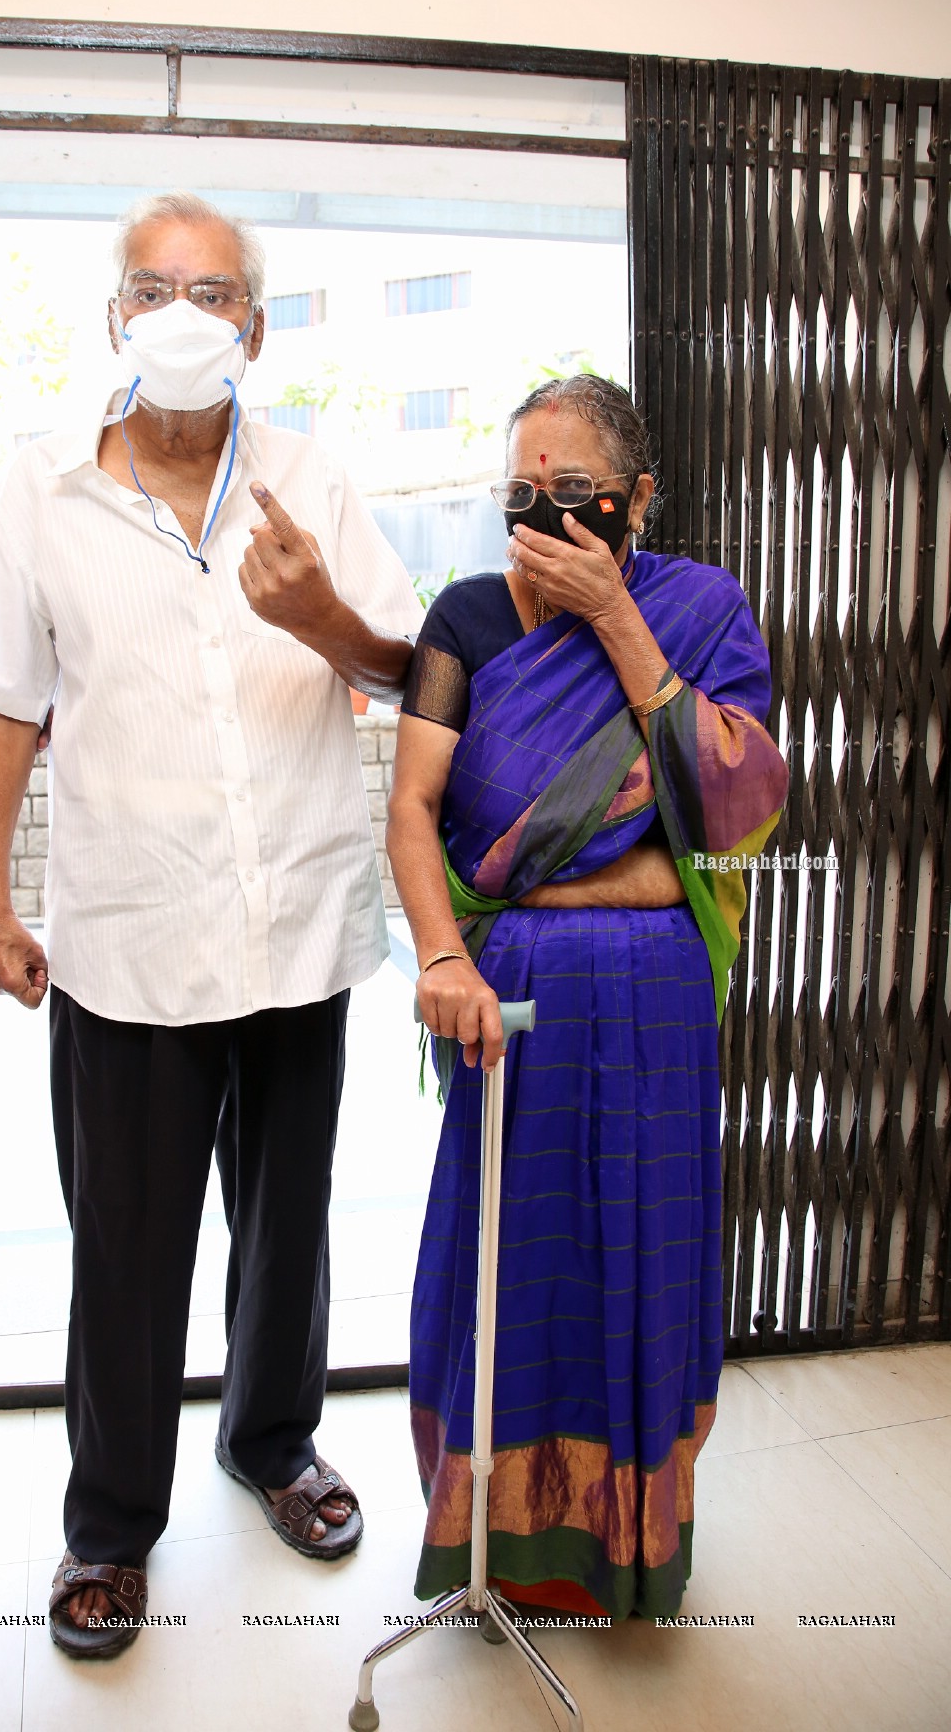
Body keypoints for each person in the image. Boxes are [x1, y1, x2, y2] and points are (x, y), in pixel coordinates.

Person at [0, 191, 423, 1658]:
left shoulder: (314, 480)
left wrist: (320, 618)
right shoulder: (42, 491)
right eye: (153, 288)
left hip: (296, 927)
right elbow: (8, 696)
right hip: (129, 941)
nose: (183, 313)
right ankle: (109, 1528)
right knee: (128, 1250)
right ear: (114, 319)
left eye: (213, 291)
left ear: (257, 329)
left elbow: (404, 669)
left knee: (287, 1226)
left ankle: (273, 1442)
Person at [387, 374, 788, 1621]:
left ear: (637, 500)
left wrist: (618, 619)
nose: (545, 514)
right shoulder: (465, 621)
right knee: (514, 1260)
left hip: (658, 1009)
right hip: (509, 1010)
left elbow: (732, 814)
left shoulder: (697, 611)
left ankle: (629, 1544)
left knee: (641, 1259)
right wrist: (445, 958)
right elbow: (414, 811)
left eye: (575, 493)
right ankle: (495, 1546)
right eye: (523, 491)